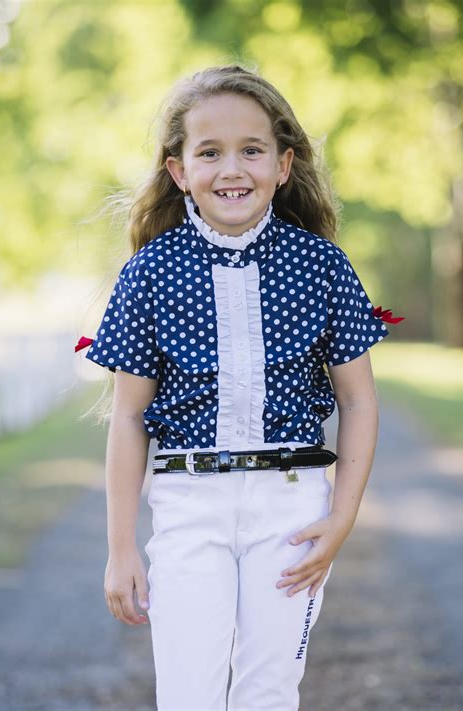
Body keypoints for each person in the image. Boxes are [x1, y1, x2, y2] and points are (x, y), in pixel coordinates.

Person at [75, 64, 404, 710]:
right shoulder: (150, 274)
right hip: (189, 507)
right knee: (189, 692)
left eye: (251, 150)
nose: (232, 169)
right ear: (179, 171)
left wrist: (341, 517)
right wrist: (120, 550)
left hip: (291, 507)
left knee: (269, 691)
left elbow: (359, 399)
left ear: (283, 165)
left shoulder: (321, 265)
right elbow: (128, 417)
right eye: (210, 152)